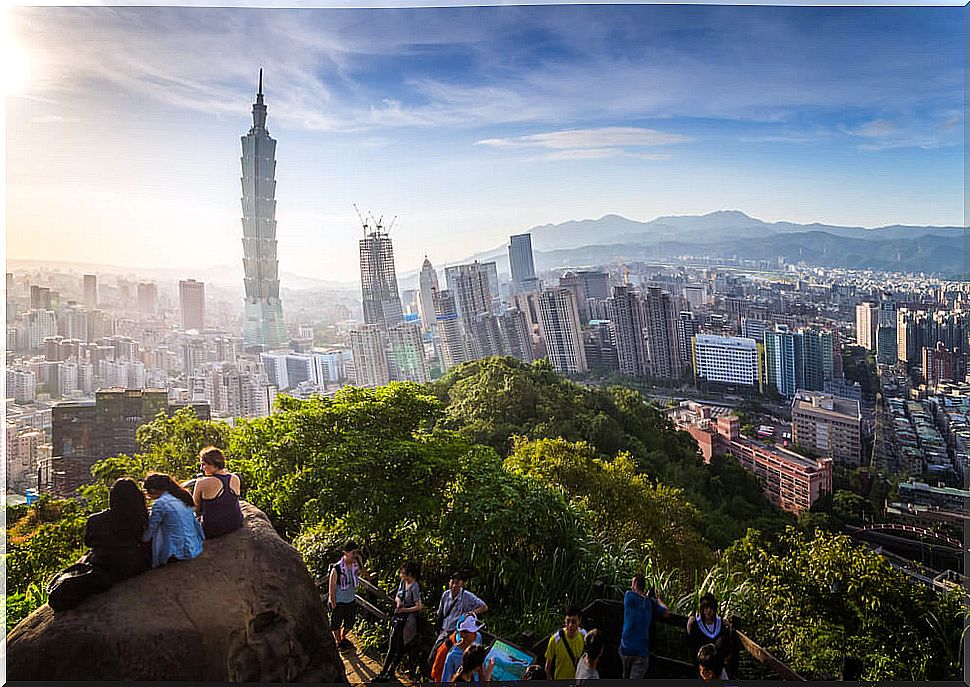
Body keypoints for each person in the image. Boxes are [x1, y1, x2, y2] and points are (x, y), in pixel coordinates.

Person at [85, 478, 151, 582]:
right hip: (131, 565)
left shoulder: (94, 519)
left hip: (102, 565)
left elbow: (88, 543)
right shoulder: (140, 518)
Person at [374, 561, 423, 683]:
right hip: (398, 619)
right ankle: (384, 671)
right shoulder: (403, 582)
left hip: (408, 622)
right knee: (392, 644)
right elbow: (397, 595)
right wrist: (398, 601)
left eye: (403, 573)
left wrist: (404, 609)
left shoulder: (415, 586)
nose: (401, 575)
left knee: (401, 646)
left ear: (409, 574)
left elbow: (419, 606)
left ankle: (391, 670)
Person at [142, 473, 204, 568]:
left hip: (177, 552)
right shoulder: (181, 496)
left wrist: (142, 540)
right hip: (194, 546)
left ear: (152, 490)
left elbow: (151, 529)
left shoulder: (160, 504)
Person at [429, 572, 488, 669]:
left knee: (452, 656)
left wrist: (472, 613)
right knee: (435, 653)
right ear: (449, 583)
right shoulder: (445, 595)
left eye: (457, 583)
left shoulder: (467, 596)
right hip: (444, 631)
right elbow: (440, 613)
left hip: (457, 633)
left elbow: (484, 607)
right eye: (452, 583)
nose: (454, 586)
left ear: (461, 584)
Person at [620, 575, 669, 679]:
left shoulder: (628, 596)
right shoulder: (650, 603)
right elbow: (666, 612)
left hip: (626, 648)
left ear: (634, 584)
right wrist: (658, 598)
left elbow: (638, 599)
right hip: (641, 652)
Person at [192, 446, 243, 539]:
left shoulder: (202, 483)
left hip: (212, 530)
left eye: (203, 464)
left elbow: (195, 508)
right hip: (235, 523)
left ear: (214, 464)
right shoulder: (235, 478)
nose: (201, 468)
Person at [329, 540, 367, 653]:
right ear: (345, 552)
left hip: (351, 599)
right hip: (339, 600)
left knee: (350, 623)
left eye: (356, 552)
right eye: (352, 553)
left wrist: (361, 562)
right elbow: (331, 587)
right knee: (336, 623)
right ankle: (339, 641)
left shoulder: (356, 565)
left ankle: (342, 636)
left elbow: (365, 575)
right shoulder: (337, 568)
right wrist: (333, 601)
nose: (354, 555)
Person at [544, 605, 587, 681]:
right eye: (568, 621)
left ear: (579, 621)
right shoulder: (555, 639)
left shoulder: (583, 636)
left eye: (573, 622)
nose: (570, 625)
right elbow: (548, 665)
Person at [441, 614, 486, 683]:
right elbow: (446, 680)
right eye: (471, 632)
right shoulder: (452, 656)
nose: (475, 634)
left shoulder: (478, 638)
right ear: (462, 634)